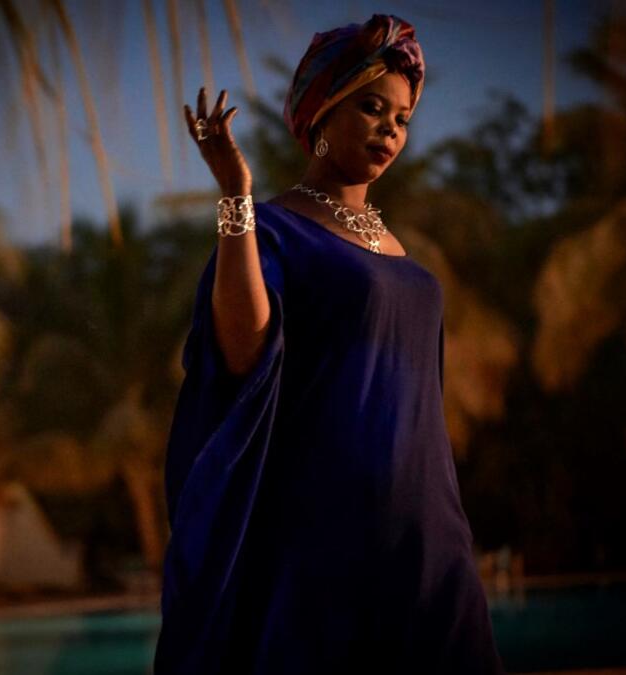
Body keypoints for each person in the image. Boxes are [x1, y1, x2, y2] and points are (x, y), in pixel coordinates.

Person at [155, 15, 506, 674]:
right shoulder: (279, 231)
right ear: (321, 111)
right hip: (328, 533)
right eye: (372, 107)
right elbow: (242, 354)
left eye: (402, 117)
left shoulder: (400, 251)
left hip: (429, 533)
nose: (391, 128)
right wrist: (237, 197)